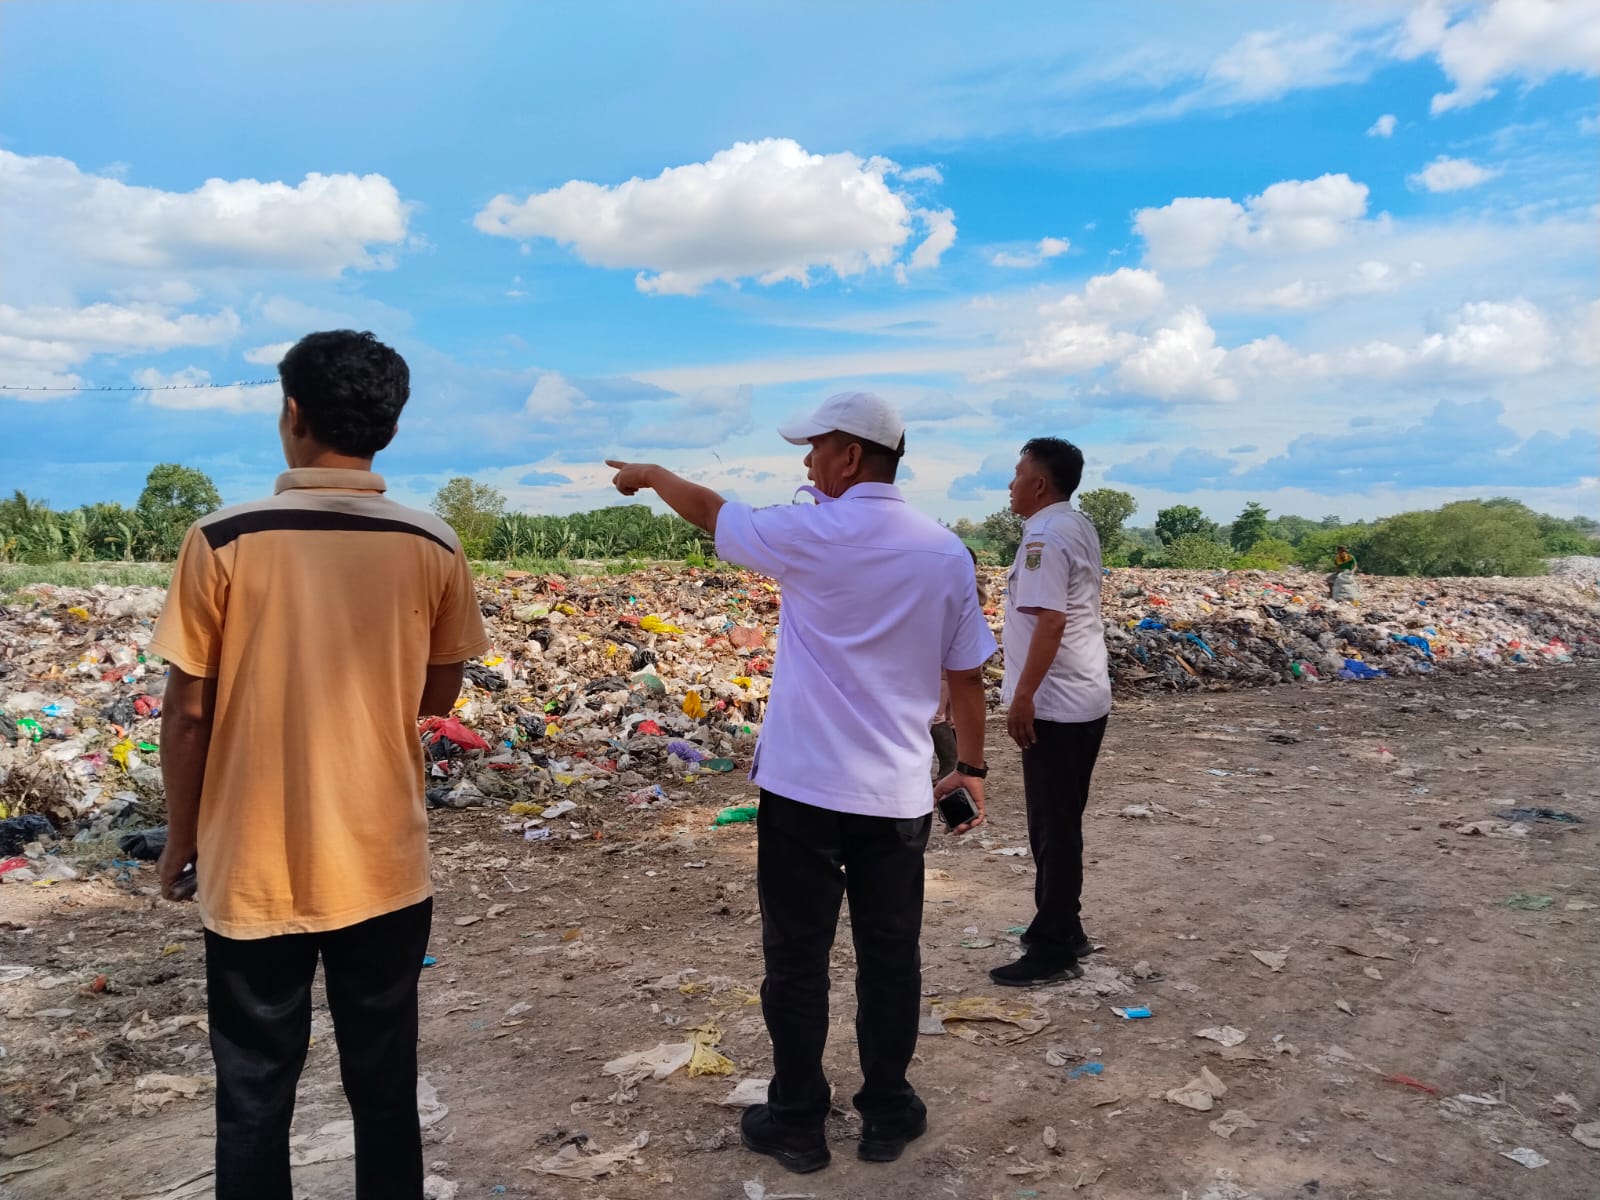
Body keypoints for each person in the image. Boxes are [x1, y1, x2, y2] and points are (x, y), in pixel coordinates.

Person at [606, 391, 995, 1175]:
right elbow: (966, 679)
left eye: (815, 448)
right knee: (890, 958)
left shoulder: (811, 533)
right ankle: (886, 1112)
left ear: (851, 456)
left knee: (796, 959)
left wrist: (652, 474)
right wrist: (972, 769)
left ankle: (797, 1120)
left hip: (803, 792)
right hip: (894, 796)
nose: (806, 462)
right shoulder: (944, 551)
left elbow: (713, 511)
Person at [150, 330, 489, 1200]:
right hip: (382, 865)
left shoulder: (222, 540)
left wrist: (182, 839)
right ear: (389, 426)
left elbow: (188, 713)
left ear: (291, 414)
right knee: (383, 1086)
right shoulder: (434, 546)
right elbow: (435, 698)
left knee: (254, 1089)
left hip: (253, 868)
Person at [989, 437, 1111, 988]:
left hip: (1056, 705)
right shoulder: (1076, 525)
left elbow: (1050, 622)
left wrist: (1023, 697)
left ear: (1039, 484)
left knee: (1053, 826)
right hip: (1083, 698)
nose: (1011, 484)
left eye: (1017, 474)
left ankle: (1054, 946)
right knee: (1060, 821)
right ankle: (1067, 925)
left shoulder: (1044, 534)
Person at [931, 547, 986, 778]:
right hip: (964, 661)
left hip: (946, 664)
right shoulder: (972, 590)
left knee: (936, 716)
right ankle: (961, 764)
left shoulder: (954, 589)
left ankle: (949, 765)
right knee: (951, 718)